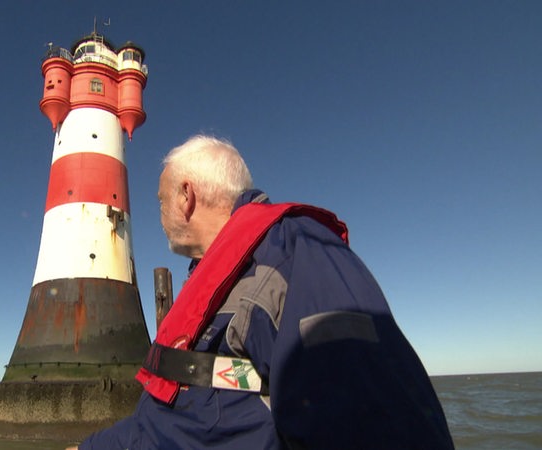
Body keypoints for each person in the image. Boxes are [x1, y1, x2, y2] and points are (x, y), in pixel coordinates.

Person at [67, 135, 454, 449]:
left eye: (161, 199)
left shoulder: (291, 255)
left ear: (186, 196)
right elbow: (174, 421)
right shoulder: (213, 279)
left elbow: (377, 422)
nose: (160, 210)